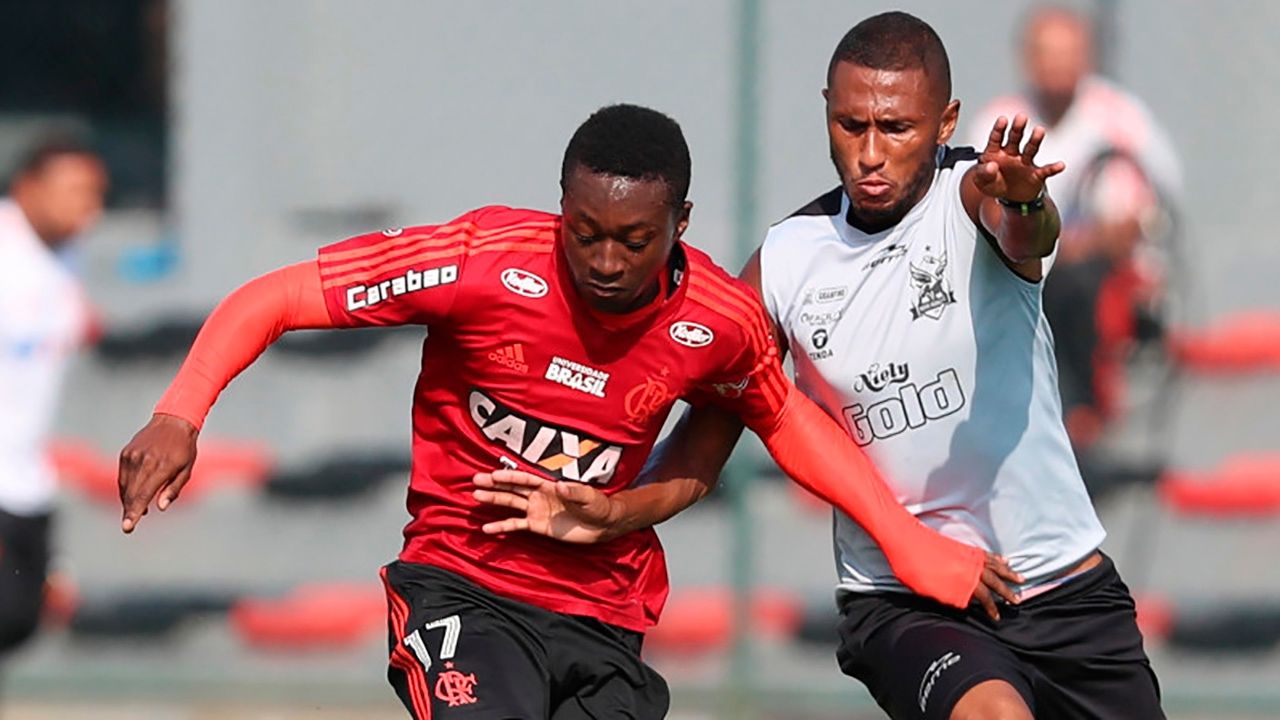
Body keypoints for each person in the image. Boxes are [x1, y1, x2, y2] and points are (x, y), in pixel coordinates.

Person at [115, 104, 1018, 720]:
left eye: (634, 238)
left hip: (602, 614)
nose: (606, 260)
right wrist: (181, 413)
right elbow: (277, 296)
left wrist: (908, 544)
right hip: (461, 585)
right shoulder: (480, 261)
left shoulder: (719, 321)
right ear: (560, 209)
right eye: (584, 231)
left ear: (682, 222)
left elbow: (785, 422)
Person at [474, 14, 1164, 720]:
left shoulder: (976, 196)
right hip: (905, 602)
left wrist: (1024, 197)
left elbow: (1027, 231)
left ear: (944, 121)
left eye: (895, 128)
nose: (869, 152)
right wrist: (618, 510)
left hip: (1061, 588)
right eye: (849, 124)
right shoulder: (786, 263)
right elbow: (706, 441)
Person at [966, 5, 1182, 450]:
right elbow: (982, 209)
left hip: (1105, 281)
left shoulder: (1121, 118)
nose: (1058, 66)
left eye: (1068, 54)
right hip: (1024, 274)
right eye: (1048, 54)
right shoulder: (1001, 121)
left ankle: (1083, 411)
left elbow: (1156, 203)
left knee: (1073, 284)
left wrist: (1103, 238)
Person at [0, 137, 107, 657]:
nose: (89, 205)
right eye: (75, 190)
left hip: (25, 482)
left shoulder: (65, 255)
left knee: (19, 620)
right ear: (28, 187)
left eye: (95, 192)